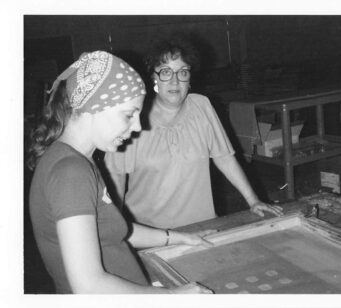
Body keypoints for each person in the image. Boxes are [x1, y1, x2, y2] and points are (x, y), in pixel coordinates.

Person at [28, 51, 214, 294]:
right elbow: (89, 286)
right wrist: (171, 296)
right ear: (92, 106)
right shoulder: (70, 172)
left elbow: (114, 229)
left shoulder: (75, 160)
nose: (138, 126)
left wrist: (177, 237)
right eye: (129, 115)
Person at [104, 35, 283, 229]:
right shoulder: (134, 120)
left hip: (202, 227)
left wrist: (253, 200)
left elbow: (224, 157)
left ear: (189, 78)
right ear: (153, 77)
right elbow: (116, 177)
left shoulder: (201, 106)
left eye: (183, 72)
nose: (174, 81)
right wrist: (117, 229)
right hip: (149, 232)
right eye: (165, 72)